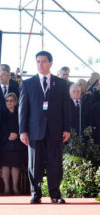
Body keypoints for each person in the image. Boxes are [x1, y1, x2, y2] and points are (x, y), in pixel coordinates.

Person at [19, 51, 71, 204]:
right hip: (35, 131)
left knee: (55, 163)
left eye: (43, 61)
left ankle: (55, 194)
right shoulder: (28, 83)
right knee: (35, 164)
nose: (40, 64)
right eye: (38, 61)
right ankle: (36, 194)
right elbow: (23, 109)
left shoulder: (61, 83)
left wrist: (67, 128)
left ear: (50, 63)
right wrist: (23, 131)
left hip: (55, 130)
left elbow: (65, 108)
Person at [0, 93, 27, 195]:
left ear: (15, 102)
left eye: (11, 100)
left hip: (17, 143)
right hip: (4, 142)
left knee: (15, 165)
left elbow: (24, 125)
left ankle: (15, 187)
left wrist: (17, 134)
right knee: (5, 165)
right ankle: (7, 187)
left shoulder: (20, 113)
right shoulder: (2, 113)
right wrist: (8, 135)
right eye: (7, 101)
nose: (9, 103)